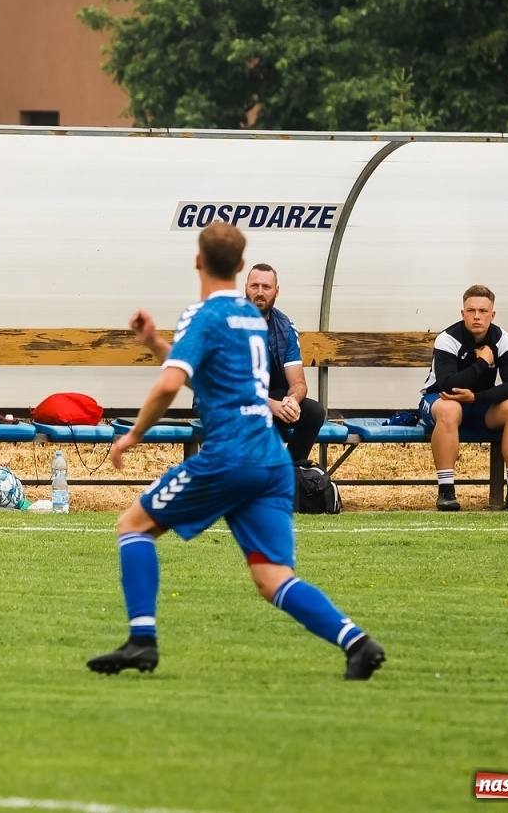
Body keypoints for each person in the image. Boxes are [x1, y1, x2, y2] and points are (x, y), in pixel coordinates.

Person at [88, 222, 384, 681]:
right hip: (270, 460)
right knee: (272, 578)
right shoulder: (252, 319)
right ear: (242, 268)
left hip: (230, 455)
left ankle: (141, 641)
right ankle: (357, 643)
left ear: (197, 261)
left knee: (133, 526)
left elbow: (173, 381)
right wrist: (156, 344)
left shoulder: (201, 314)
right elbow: (208, 370)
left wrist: (133, 434)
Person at [418, 285, 508, 513]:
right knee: (450, 409)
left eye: (482, 311)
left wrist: (476, 397)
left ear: (492, 314)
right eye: (471, 311)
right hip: (438, 400)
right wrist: (482, 363)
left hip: (478, 403)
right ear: (462, 313)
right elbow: (448, 384)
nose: (476, 316)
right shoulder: (448, 338)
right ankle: (446, 491)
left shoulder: (502, 339)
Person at [244, 265, 326, 467]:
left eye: (266, 287)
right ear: (245, 288)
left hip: (268, 397)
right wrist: (271, 405)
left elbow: (298, 382)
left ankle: (289, 477)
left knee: (314, 412)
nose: (260, 293)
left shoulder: (284, 325)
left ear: (276, 291)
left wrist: (291, 401)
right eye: (255, 286)